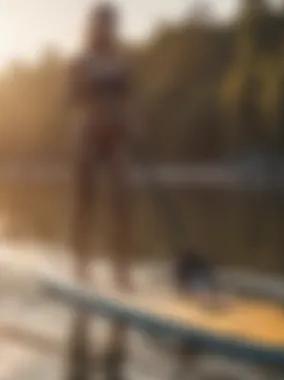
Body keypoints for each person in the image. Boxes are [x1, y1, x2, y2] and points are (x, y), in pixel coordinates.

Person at [66, 2, 139, 379]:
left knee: (122, 202)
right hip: (88, 133)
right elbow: (73, 99)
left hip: (116, 136)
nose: (109, 28)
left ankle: (121, 272)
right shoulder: (81, 61)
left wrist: (129, 123)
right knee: (86, 205)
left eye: (113, 23)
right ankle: (81, 267)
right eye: (104, 23)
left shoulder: (122, 62)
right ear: (94, 26)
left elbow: (128, 99)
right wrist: (96, 110)